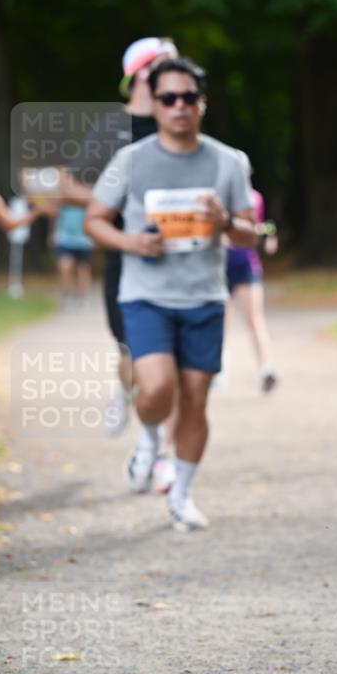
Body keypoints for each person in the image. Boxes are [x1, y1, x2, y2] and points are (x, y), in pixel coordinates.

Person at [85, 57, 257, 531]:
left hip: (204, 297)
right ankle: (148, 433)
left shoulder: (227, 161)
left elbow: (250, 235)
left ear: (202, 103)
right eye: (168, 99)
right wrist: (131, 242)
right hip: (145, 294)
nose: (179, 107)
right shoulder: (132, 159)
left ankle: (181, 493)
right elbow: (94, 219)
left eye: (188, 98)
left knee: (196, 400)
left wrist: (224, 221)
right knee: (158, 387)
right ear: (154, 104)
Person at [63, 37, 179, 437]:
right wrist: (114, 201)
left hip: (177, 259)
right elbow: (69, 186)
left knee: (168, 360)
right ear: (143, 73)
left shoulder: (178, 120)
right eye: (169, 63)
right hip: (126, 260)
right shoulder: (113, 126)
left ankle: (155, 445)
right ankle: (125, 395)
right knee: (132, 351)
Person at [224, 156, 279, 393]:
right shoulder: (218, 199)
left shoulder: (254, 198)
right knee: (221, 323)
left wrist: (269, 235)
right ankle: (218, 370)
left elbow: (259, 227)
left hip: (246, 264)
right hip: (219, 266)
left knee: (254, 319)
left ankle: (266, 368)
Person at [51, 203, 93, 306]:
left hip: (83, 239)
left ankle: (82, 297)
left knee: (82, 269)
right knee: (65, 266)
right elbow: (54, 215)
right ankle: (67, 295)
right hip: (64, 238)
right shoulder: (64, 195)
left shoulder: (86, 196)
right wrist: (52, 235)